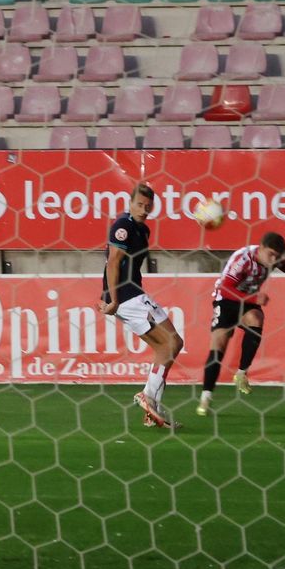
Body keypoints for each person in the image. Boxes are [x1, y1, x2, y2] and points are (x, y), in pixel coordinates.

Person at [196, 232, 285, 417]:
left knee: (256, 319)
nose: (273, 260)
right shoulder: (243, 259)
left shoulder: (272, 259)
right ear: (261, 247)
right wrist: (254, 297)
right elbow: (225, 288)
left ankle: (241, 373)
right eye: (271, 254)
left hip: (247, 302)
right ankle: (205, 397)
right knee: (219, 346)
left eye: (277, 256)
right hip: (226, 300)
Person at [101, 182, 184, 429]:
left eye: (148, 206)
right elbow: (113, 263)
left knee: (164, 349)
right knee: (174, 342)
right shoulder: (122, 226)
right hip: (126, 295)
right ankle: (147, 397)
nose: (143, 209)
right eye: (139, 204)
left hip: (130, 293)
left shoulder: (144, 230)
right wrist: (113, 298)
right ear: (130, 203)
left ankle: (151, 411)